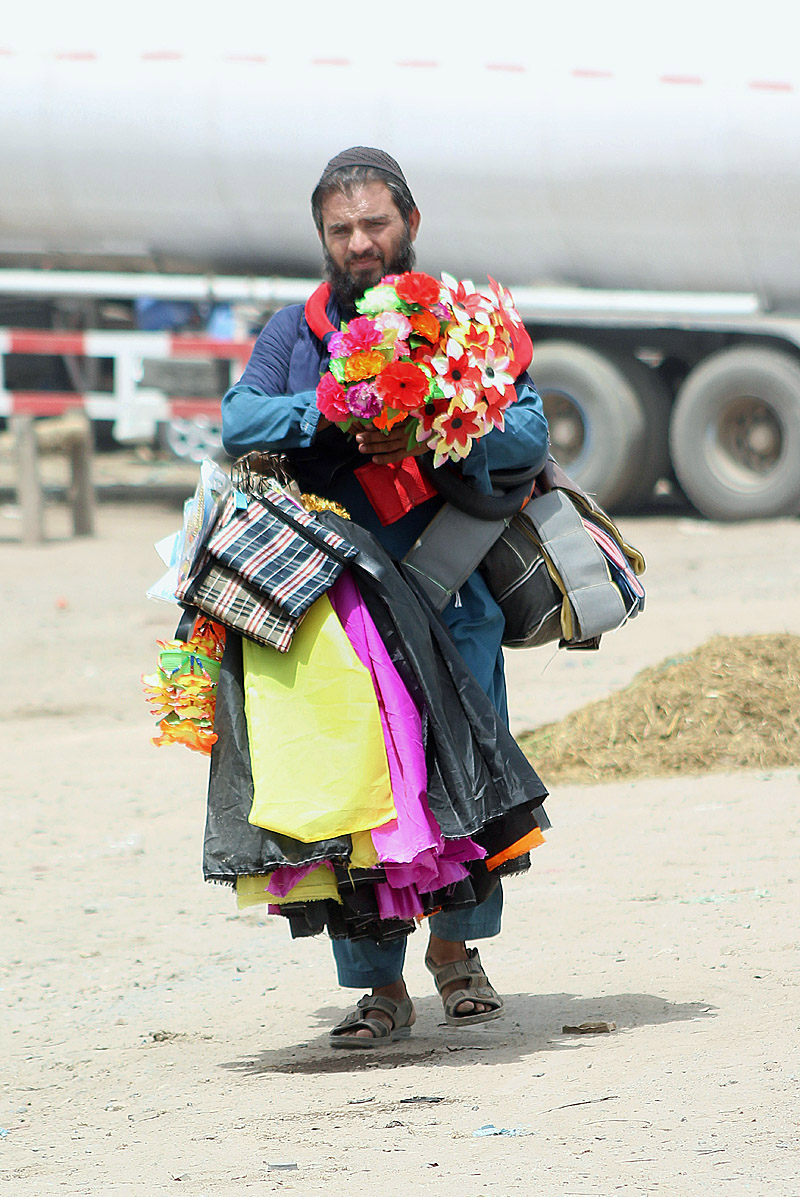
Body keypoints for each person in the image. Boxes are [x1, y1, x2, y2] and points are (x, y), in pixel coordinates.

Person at [221, 146, 550, 1047]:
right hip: (345, 613)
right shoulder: (298, 330)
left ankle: (458, 956)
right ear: (322, 237)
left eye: (375, 223)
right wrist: (334, 405)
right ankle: (378, 989)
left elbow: (530, 425)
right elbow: (239, 419)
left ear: (411, 223)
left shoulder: (466, 323)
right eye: (341, 228)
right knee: (363, 795)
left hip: (454, 596)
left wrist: (443, 415)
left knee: (467, 783)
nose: (360, 242)